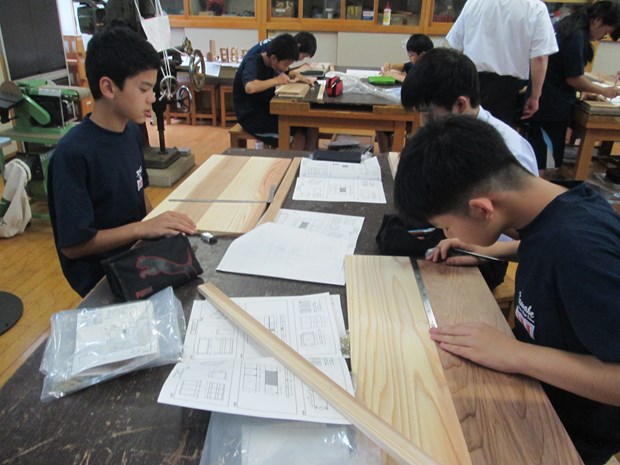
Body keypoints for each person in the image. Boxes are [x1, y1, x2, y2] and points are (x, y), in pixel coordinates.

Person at [393, 116, 620, 465]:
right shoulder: (558, 206)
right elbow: (544, 242)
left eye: (446, 225)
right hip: (536, 388)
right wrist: (493, 250)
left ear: (482, 209)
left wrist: (515, 354)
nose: (447, 234)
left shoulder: (580, 249)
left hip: (566, 433)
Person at [47, 25, 197, 297]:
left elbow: (139, 194)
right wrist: (143, 228)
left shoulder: (130, 133)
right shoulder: (72, 154)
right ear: (108, 87)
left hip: (137, 256)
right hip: (105, 277)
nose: (152, 98)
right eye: (143, 89)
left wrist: (158, 225)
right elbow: (73, 246)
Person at [401, 47, 539, 175]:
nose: (422, 123)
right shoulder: (451, 135)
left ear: (461, 105)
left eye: (426, 113)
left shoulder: (508, 155)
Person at [525, 1, 620, 170]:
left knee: (540, 156)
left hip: (547, 100)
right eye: (605, 32)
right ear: (597, 20)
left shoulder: (571, 24)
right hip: (550, 106)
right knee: (544, 162)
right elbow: (574, 79)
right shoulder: (577, 35)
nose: (601, 38)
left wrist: (585, 91)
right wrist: (604, 91)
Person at [446, 0, 558, 126]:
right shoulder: (535, 7)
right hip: (507, 89)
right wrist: (535, 96)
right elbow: (540, 57)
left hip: (471, 82)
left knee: (467, 130)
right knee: (500, 134)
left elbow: (456, 48)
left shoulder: (474, 2)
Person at [233, 33, 318, 150]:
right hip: (251, 116)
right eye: (286, 64)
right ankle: (291, 161)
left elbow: (285, 70)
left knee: (310, 127)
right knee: (297, 137)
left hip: (267, 109)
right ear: (273, 58)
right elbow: (250, 87)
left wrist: (296, 75)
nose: (286, 68)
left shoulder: (274, 59)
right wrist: (276, 80)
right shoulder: (253, 62)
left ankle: (308, 160)